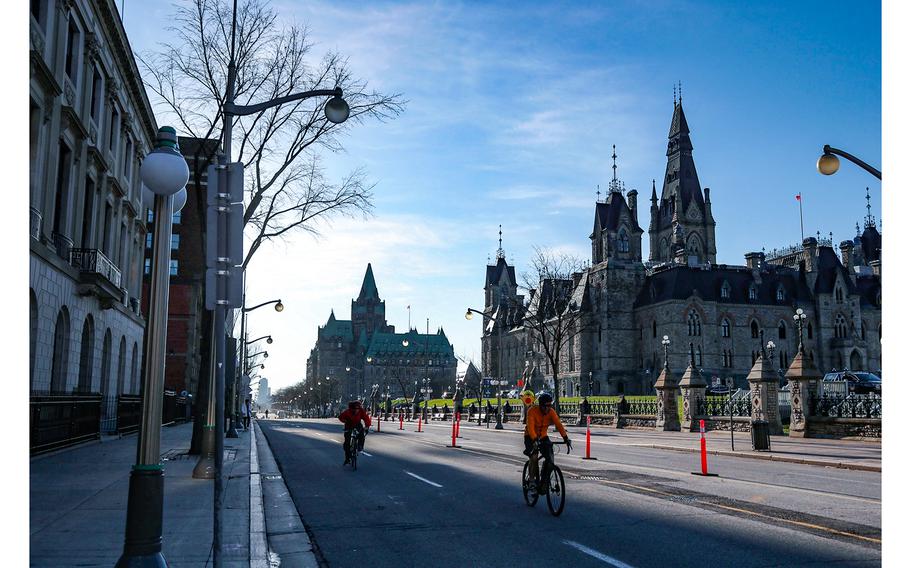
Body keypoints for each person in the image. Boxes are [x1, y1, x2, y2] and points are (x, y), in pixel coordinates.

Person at [523, 392, 571, 492]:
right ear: (540, 405)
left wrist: (566, 438)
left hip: (543, 436)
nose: (547, 408)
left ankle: (544, 482)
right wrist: (535, 440)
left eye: (549, 406)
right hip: (530, 436)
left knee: (550, 458)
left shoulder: (551, 412)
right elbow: (530, 427)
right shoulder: (532, 411)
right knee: (534, 456)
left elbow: (559, 424)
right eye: (545, 406)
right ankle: (532, 481)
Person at [338, 400, 372, 465]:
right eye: (355, 409)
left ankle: (360, 446)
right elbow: (340, 417)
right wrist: (345, 421)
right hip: (349, 424)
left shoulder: (361, 410)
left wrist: (367, 426)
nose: (357, 410)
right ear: (352, 408)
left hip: (357, 424)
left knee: (361, 433)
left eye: (358, 408)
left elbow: (366, 418)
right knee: (347, 442)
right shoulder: (348, 412)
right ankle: (347, 458)